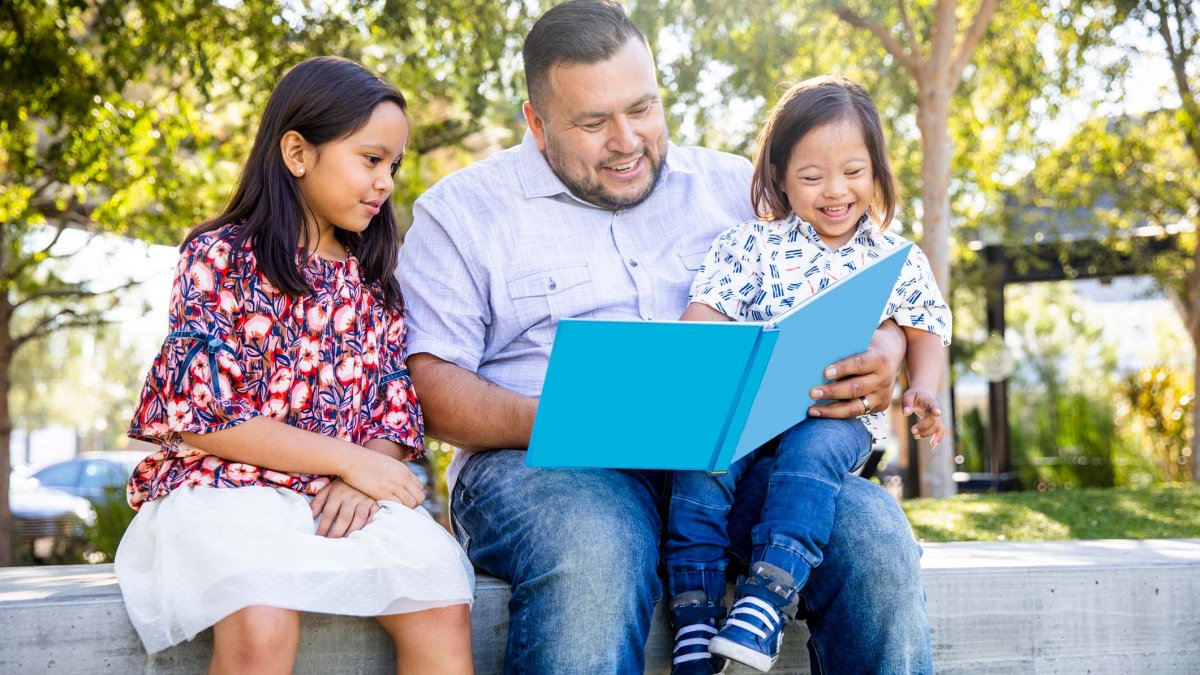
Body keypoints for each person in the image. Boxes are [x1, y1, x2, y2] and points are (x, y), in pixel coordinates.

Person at [397, 1, 933, 673]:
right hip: (544, 466)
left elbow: (854, 266)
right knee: (596, 547)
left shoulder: (739, 187)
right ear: (536, 124)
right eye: (593, 123)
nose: (627, 140)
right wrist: (578, 417)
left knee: (875, 536)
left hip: (729, 462)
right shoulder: (463, 212)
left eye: (643, 109)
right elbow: (432, 388)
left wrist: (883, 352)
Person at [116, 56, 474, 674]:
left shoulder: (372, 277)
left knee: (438, 594)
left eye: (393, 164)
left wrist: (360, 475)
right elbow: (204, 416)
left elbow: (393, 414)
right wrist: (349, 460)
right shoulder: (218, 256)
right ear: (297, 152)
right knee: (262, 615)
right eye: (370, 159)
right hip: (223, 488)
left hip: (337, 493)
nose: (386, 181)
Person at [666, 75, 951, 673]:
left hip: (832, 417)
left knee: (810, 455)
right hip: (749, 410)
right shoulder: (748, 246)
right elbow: (702, 320)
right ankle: (694, 613)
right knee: (701, 461)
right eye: (811, 177)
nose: (835, 191)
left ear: (877, 171)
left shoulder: (894, 258)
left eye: (853, 172)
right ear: (779, 175)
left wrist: (922, 388)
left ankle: (765, 601)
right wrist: (696, 349)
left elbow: (927, 332)